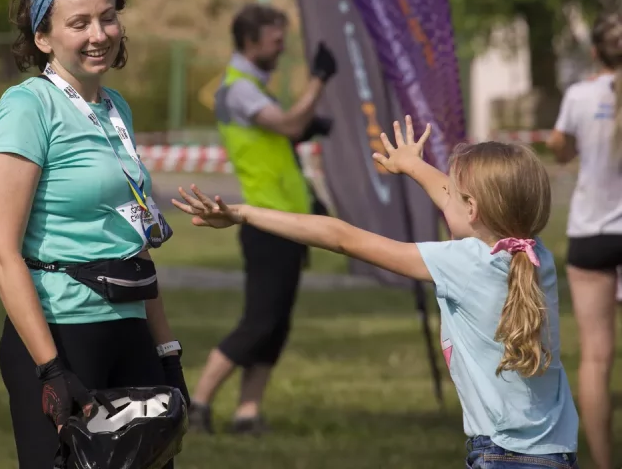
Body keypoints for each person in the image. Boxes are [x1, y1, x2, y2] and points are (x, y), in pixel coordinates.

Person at [173, 115, 580, 468]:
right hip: (557, 452)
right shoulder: (535, 256)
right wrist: (415, 166)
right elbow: (463, 201)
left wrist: (243, 213)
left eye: (452, 195)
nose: (444, 195)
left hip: (501, 455)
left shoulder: (463, 262)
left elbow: (341, 237)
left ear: (472, 209)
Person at [0, 0, 189, 469]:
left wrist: (167, 352)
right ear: (43, 38)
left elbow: (134, 240)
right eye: (79, 23)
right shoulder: (27, 107)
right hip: (61, 335)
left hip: (130, 331)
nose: (99, 34)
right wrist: (50, 369)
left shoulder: (116, 109)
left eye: (107, 17)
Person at [186, 4, 337, 435]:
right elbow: (287, 125)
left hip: (286, 218)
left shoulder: (253, 86)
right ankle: (197, 404)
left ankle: (247, 412)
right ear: (250, 41)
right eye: (275, 41)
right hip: (264, 221)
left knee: (276, 325)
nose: (281, 49)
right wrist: (318, 80)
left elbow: (280, 138)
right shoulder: (238, 88)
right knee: (258, 323)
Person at [547, 7, 622, 469]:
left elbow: (559, 147)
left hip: (592, 233)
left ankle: (604, 463)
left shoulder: (579, 95)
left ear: (595, 52)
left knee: (596, 358)